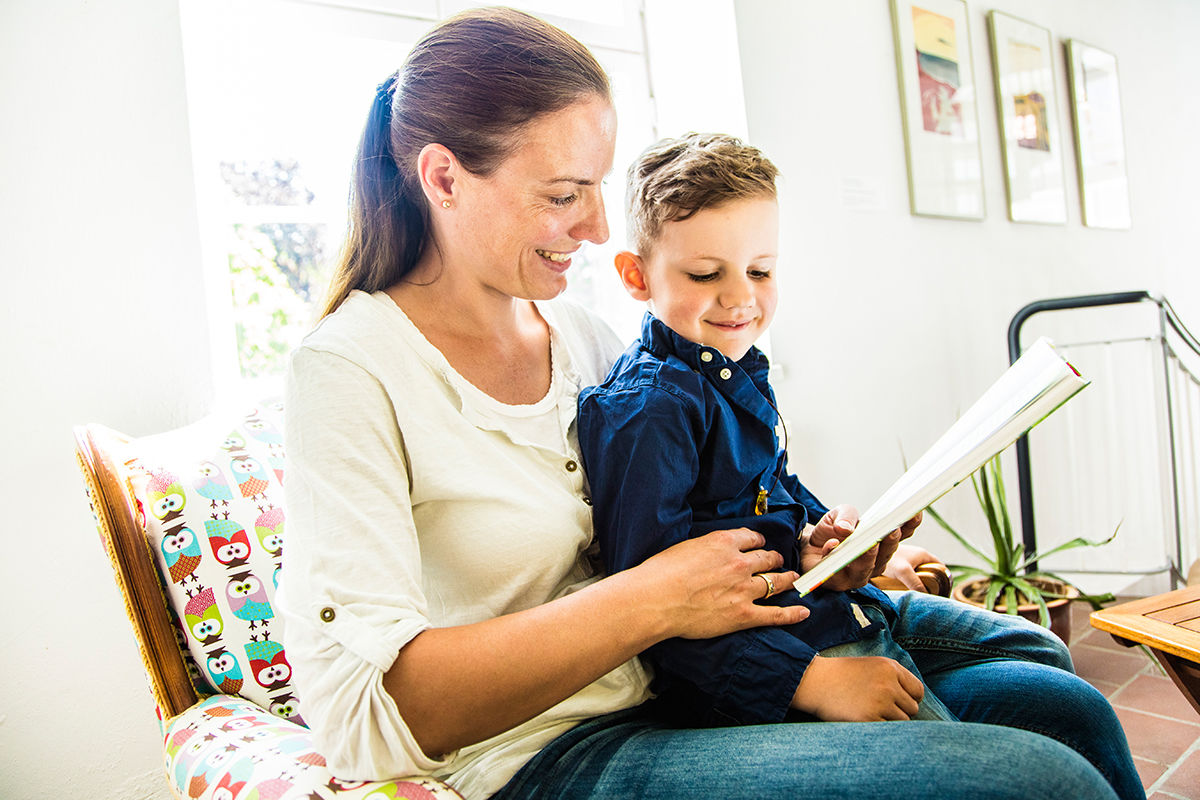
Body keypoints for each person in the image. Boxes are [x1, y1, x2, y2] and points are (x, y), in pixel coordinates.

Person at [278, 8, 1144, 800]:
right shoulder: (350, 372)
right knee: (1035, 781)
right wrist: (656, 600)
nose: (594, 228)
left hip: (687, 674)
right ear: (443, 177)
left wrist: (812, 552)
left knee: (1054, 696)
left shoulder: (582, 336)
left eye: (596, 187)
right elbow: (377, 720)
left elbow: (697, 515)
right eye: (560, 194)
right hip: (552, 748)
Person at [577, 132, 957, 726]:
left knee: (1041, 655)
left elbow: (768, 491)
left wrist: (825, 542)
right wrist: (807, 681)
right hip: (789, 652)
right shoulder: (650, 408)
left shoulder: (734, 368)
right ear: (635, 277)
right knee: (959, 754)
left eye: (760, 270)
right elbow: (652, 605)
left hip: (828, 604)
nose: (740, 297)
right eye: (705, 274)